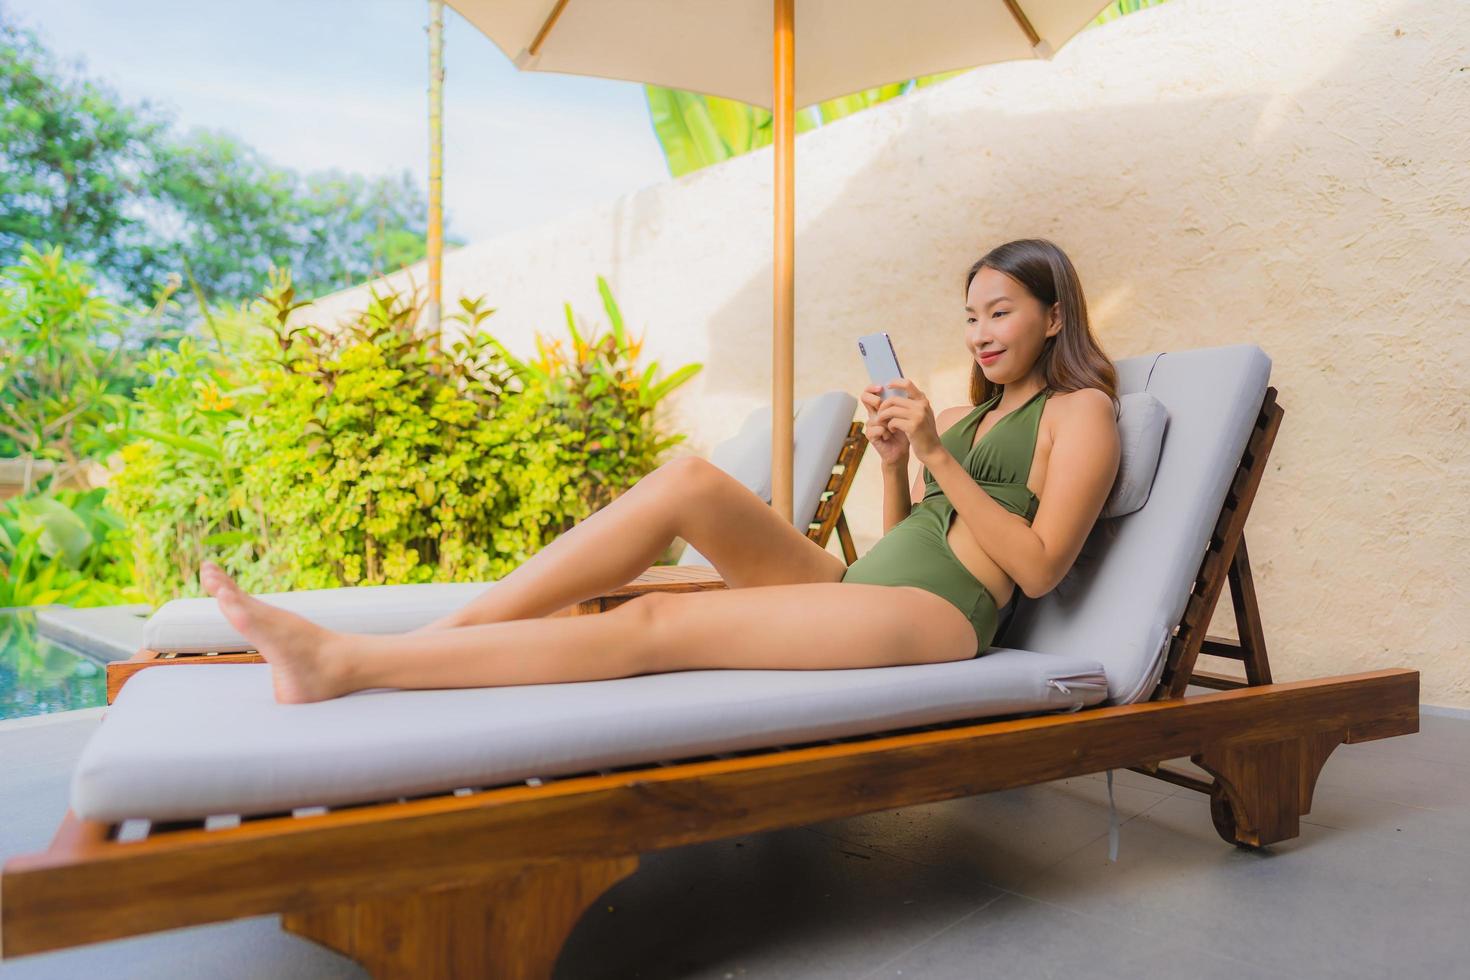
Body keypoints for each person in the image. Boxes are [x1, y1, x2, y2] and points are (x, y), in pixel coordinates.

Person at [199, 238, 1121, 705]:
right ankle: (438, 639)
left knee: (656, 619)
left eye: (998, 312)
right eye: (969, 318)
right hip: (865, 583)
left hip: (942, 617)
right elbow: (908, 535)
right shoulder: (964, 416)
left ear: (1052, 314)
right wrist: (894, 462)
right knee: (685, 481)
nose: (979, 334)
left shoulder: (1084, 413)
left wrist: (930, 456)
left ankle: (350, 664)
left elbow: (1038, 566)